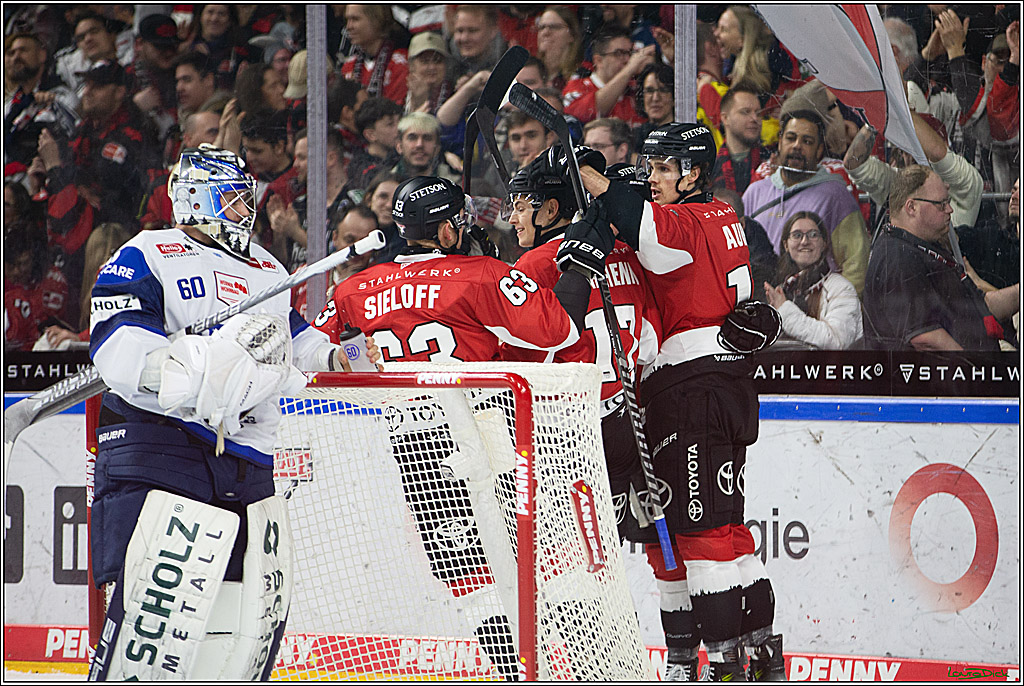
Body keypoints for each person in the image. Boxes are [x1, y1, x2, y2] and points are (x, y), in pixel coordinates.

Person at [85, 145, 369, 680]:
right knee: (155, 614)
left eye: (246, 200)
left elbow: (295, 339)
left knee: (246, 620)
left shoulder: (266, 266)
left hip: (245, 458)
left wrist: (338, 356)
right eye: (233, 199)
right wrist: (197, 372)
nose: (246, 211)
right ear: (194, 199)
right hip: (162, 444)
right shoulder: (148, 252)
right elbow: (119, 344)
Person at [312, 173, 611, 680]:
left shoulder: (355, 288)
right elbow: (557, 332)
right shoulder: (483, 274)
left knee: (466, 571)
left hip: (412, 443)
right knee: (535, 559)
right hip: (488, 434)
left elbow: (314, 351)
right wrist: (573, 277)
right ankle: (580, 665)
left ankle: (507, 670)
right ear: (448, 231)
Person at [577, 122, 785, 681]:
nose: (652, 180)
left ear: (692, 173)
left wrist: (589, 175)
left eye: (663, 169)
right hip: (715, 383)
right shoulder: (720, 215)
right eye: (649, 169)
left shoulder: (686, 222)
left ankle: (725, 665)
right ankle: (753, 654)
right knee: (717, 528)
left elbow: (632, 212)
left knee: (702, 532)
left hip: (696, 385)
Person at [500, 149, 661, 545]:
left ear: (552, 208)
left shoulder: (535, 265)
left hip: (566, 437)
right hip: (626, 425)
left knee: (565, 556)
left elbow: (518, 362)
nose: (511, 218)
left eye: (520, 207)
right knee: (617, 553)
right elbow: (652, 344)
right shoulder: (626, 253)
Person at [38, 60, 157, 328]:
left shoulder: (135, 131)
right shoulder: (85, 130)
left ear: (119, 92)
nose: (87, 92)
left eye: (98, 86)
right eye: (87, 84)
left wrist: (56, 168)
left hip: (114, 239)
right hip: (79, 244)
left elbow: (102, 190)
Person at [862, 165, 1019, 351]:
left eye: (949, 202)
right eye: (941, 204)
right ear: (911, 207)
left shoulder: (925, 246)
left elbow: (982, 305)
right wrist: (975, 371)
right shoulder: (898, 257)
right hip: (946, 376)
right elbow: (926, 338)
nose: (950, 210)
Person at [742, 110, 871, 294]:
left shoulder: (836, 196)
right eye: (791, 138)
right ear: (779, 142)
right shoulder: (755, 192)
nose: (797, 146)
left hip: (814, 310)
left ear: (819, 150)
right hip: (761, 307)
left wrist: (835, 308)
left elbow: (856, 265)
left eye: (807, 141)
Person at [763, 211, 863, 350]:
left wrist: (785, 310)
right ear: (786, 245)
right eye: (797, 235)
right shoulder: (782, 290)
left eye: (813, 235)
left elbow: (837, 341)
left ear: (823, 244)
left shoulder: (841, 288)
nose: (805, 241)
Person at [562, 27, 655, 126]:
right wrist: (630, 69)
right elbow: (585, 114)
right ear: (598, 60)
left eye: (630, 53)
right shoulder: (576, 87)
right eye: (619, 53)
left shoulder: (636, 89)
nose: (628, 59)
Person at [340, 5, 408, 106]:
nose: (349, 26)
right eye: (347, 20)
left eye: (355, 19)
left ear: (376, 20)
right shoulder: (348, 66)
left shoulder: (400, 64)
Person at [713, 82, 771, 193]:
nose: (754, 118)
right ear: (725, 118)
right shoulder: (710, 169)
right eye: (745, 112)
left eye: (758, 113)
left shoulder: (770, 162)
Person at [347, 96, 403, 189]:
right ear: (371, 135)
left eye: (400, 120)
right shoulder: (361, 167)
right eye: (390, 124)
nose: (400, 128)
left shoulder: (403, 155)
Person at [389, 112, 460, 184]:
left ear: (437, 148)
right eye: (412, 138)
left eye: (427, 138)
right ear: (399, 147)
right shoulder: (385, 183)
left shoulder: (454, 185)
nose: (419, 144)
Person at [534, 7, 583, 92]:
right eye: (541, 27)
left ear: (571, 35)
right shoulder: (530, 72)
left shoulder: (581, 75)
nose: (545, 32)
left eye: (554, 27)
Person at [405, 32, 453, 116]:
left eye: (437, 61)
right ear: (411, 66)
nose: (431, 67)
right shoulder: (400, 92)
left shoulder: (454, 93)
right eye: (425, 61)